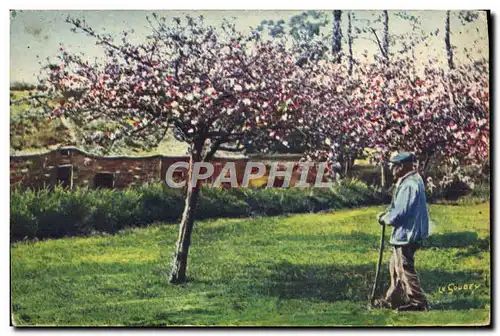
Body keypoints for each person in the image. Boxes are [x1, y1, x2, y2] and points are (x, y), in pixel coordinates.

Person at [374, 152, 430, 312]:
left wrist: (385, 219)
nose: (392, 169)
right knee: (395, 266)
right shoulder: (411, 180)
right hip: (408, 231)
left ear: (403, 166)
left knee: (404, 268)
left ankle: (418, 302)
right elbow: (398, 208)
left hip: (408, 233)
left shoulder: (409, 184)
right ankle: (394, 298)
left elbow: (401, 212)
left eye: (394, 166)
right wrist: (387, 214)